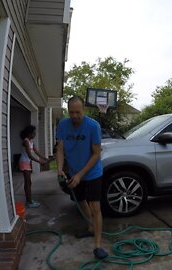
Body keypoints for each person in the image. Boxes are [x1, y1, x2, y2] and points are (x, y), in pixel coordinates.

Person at [55, 96, 108, 260]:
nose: (75, 116)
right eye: (71, 112)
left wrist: (79, 175)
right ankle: (90, 227)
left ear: (83, 110)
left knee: (95, 207)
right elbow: (60, 149)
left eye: (78, 112)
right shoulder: (63, 125)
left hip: (92, 173)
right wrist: (59, 169)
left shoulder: (93, 126)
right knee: (81, 201)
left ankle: (98, 245)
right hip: (73, 172)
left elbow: (96, 154)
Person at [19, 125, 48, 208]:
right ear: (29, 133)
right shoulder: (26, 141)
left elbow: (37, 152)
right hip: (24, 162)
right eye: (34, 133)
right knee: (28, 182)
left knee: (29, 182)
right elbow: (30, 155)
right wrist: (40, 162)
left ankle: (29, 199)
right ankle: (29, 202)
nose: (35, 134)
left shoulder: (31, 142)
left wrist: (45, 158)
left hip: (27, 162)